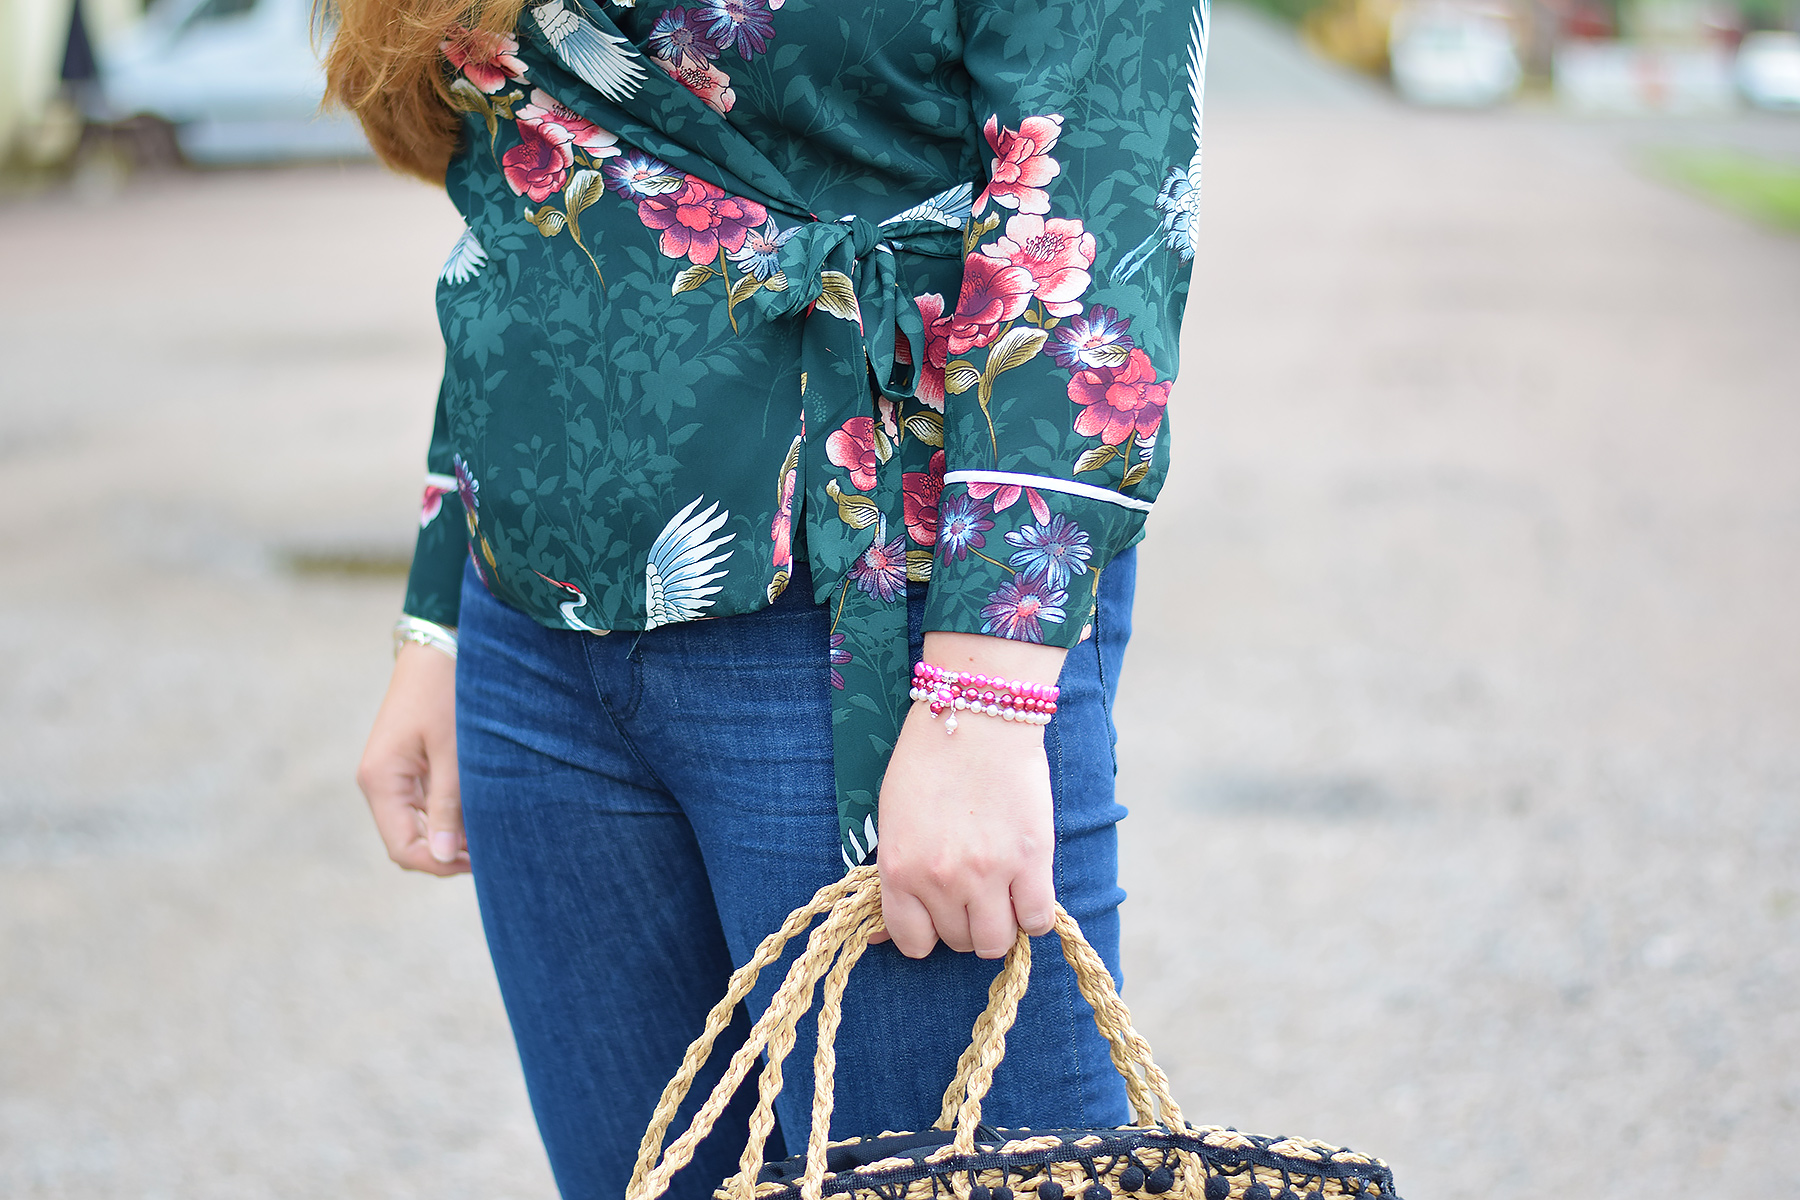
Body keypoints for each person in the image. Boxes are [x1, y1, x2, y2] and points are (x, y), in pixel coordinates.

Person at [331, 0, 1209, 1196]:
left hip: (873, 631)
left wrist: (985, 694)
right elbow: (518, 173)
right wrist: (438, 614)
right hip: (531, 643)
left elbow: (1100, 191)